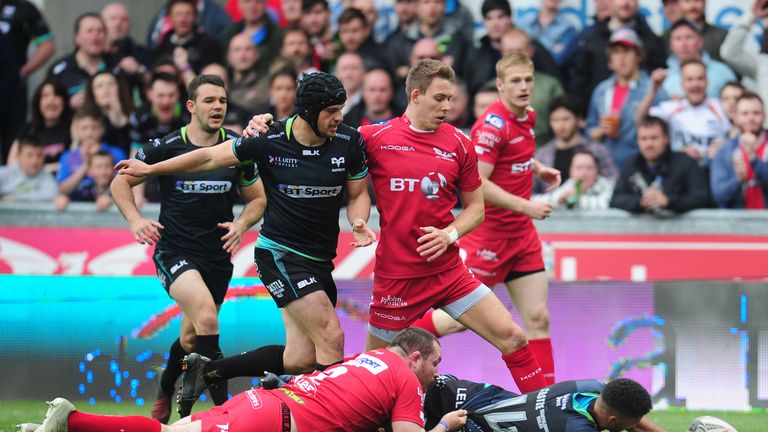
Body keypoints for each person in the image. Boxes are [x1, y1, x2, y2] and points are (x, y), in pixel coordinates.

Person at [115, 71, 376, 415]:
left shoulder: (349, 142)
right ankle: (335, 420)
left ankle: (208, 370)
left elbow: (358, 194)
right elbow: (208, 157)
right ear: (310, 112)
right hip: (278, 254)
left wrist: (358, 220)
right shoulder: (267, 139)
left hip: (314, 258)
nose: (339, 117)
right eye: (331, 111)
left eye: (341, 110)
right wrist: (150, 170)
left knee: (300, 360)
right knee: (331, 336)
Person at [356, 58, 550, 393]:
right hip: (397, 277)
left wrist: (450, 234)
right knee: (373, 371)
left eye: (451, 98)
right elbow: (320, 149)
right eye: (440, 98)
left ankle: (546, 414)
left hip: (449, 273)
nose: (448, 106)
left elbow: (476, 208)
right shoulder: (374, 137)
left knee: (515, 337)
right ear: (416, 95)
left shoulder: (459, 143)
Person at [111, 74, 267, 423]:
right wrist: (136, 220)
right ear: (191, 107)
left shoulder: (235, 148)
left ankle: (166, 387)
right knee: (208, 319)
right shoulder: (166, 147)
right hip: (174, 252)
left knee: (191, 336)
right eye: (210, 101)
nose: (218, 107)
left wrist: (242, 224)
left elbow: (258, 199)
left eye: (222, 101)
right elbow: (120, 182)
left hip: (216, 256)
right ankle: (223, 413)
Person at [407, 54, 561, 386]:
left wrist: (537, 168)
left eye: (528, 80)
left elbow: (517, 153)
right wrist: (526, 206)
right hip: (489, 237)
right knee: (460, 320)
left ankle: (546, 402)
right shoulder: (492, 126)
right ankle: (400, 343)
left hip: (522, 237)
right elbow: (478, 184)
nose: (523, 87)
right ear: (501, 85)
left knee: (538, 318)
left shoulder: (528, 116)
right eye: (515, 81)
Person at [19, 328, 468, 432]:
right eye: (435, 363)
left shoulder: (369, 357)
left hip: (266, 403)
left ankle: (67, 423)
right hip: (273, 421)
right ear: (415, 357)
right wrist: (445, 425)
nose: (436, 373)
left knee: (169, 431)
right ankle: (69, 418)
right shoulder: (406, 382)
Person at [424, 375, 665, 432]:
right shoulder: (576, 428)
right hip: (463, 426)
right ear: (612, 420)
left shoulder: (590, 387)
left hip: (457, 392)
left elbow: (631, 419)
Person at [586, 28, 667, 169]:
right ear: (610, 59)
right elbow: (589, 129)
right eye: (616, 52)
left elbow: (664, 131)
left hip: (641, 166)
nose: (621, 58)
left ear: (638, 56)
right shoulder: (602, 90)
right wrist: (600, 130)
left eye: (627, 51)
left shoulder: (654, 89)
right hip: (606, 165)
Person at [637, 59, 729, 165]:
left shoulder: (721, 107)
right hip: (678, 171)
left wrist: (718, 149)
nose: (695, 84)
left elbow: (733, 136)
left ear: (707, 82)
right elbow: (640, 120)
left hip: (711, 170)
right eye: (690, 79)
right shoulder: (672, 107)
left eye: (700, 79)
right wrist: (654, 89)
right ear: (682, 84)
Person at [610, 116, 710, 214]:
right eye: (643, 139)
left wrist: (668, 201)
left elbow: (701, 198)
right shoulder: (631, 164)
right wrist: (641, 202)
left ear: (666, 139)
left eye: (654, 138)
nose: (649, 144)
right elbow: (615, 199)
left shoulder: (685, 163)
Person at [0, 0, 55, 163]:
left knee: (11, 144)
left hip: (10, 90)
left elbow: (47, 45)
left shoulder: (24, 9)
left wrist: (24, 71)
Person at [534, 95, 617, 195]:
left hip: (593, 207)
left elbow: (614, 183)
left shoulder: (597, 150)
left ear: (578, 120)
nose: (560, 125)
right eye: (555, 120)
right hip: (552, 208)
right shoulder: (541, 155)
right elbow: (532, 191)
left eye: (566, 119)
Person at [711, 92, 768, 208]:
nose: (750, 118)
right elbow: (719, 195)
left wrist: (753, 159)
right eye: (745, 113)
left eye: (756, 113)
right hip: (738, 223)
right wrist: (737, 180)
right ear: (736, 117)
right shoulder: (724, 150)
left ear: (764, 116)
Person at [48, 12, 115, 109]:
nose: (95, 36)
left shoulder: (116, 65)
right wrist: (68, 104)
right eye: (89, 31)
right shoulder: (59, 71)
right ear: (77, 38)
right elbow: (47, 106)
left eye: (100, 31)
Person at [6, 78, 72, 174]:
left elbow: (75, 163)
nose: (51, 101)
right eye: (45, 96)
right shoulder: (28, 129)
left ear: (64, 101)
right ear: (38, 102)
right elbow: (11, 163)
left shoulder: (73, 127)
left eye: (57, 95)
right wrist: (50, 168)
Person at [533, 149, 615, 210]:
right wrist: (559, 199)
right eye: (579, 168)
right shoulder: (570, 184)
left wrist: (573, 200)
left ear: (598, 171)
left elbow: (607, 203)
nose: (584, 172)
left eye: (589, 168)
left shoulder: (606, 185)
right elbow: (539, 200)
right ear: (570, 172)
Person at [0, 134, 58, 203]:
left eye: (39, 155)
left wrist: (14, 199)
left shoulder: (47, 176)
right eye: (29, 155)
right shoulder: (4, 173)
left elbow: (52, 195)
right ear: (19, 155)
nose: (35, 161)